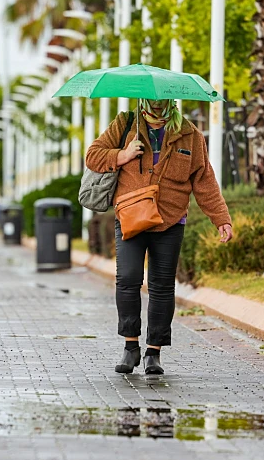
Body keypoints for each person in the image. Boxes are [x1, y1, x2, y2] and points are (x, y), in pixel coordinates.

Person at [85, 98, 233, 375]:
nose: (156, 104)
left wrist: (221, 218)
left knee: (162, 286)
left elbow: (204, 180)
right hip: (131, 217)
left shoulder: (190, 134)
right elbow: (92, 155)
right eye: (151, 100)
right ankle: (131, 347)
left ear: (170, 100)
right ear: (143, 100)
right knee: (128, 279)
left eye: (161, 99)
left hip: (171, 220)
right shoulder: (125, 123)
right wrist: (122, 155)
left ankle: (154, 352)